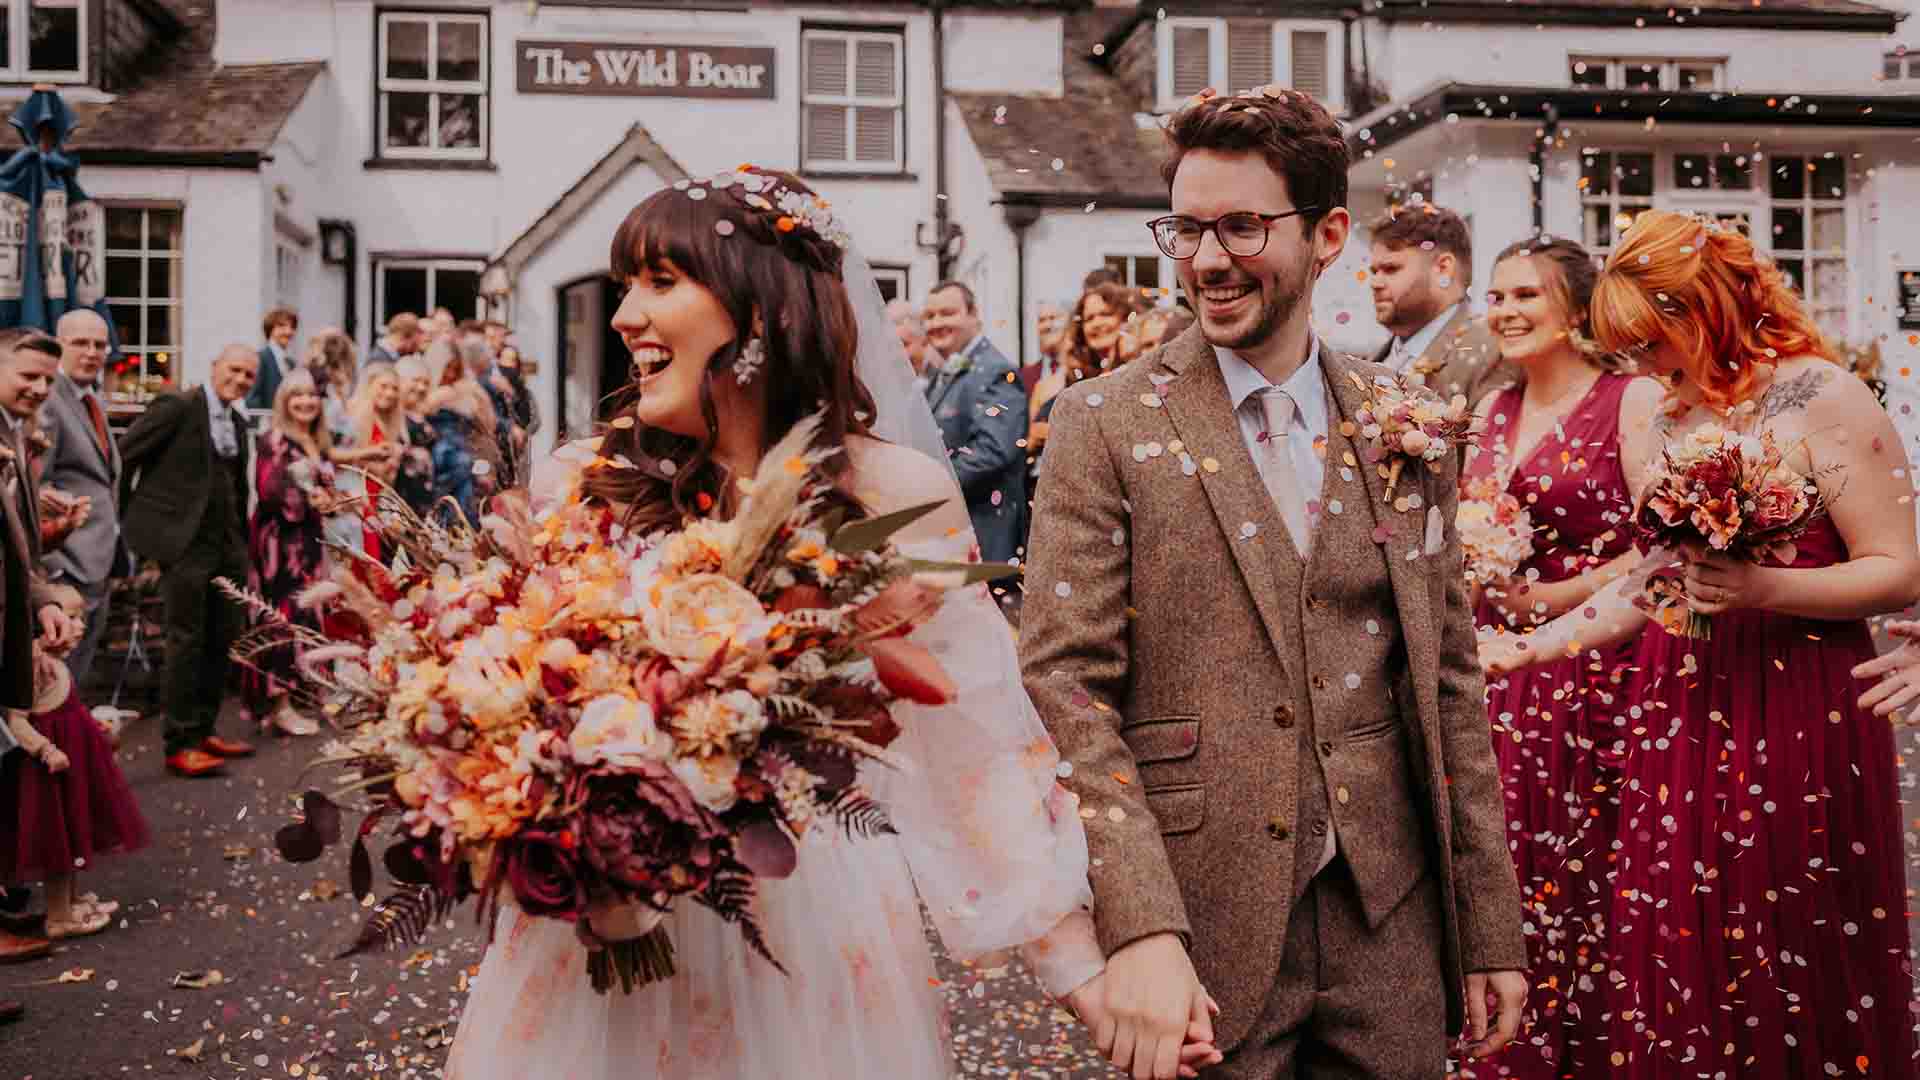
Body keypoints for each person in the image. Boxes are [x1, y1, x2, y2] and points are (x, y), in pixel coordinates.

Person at [442, 164, 1117, 1080]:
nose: (624, 316)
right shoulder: (578, 483)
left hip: (809, 933)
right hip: (589, 957)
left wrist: (1085, 973)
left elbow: (975, 753)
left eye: (661, 281)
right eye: (625, 284)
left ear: (760, 311)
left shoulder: (892, 493)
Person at [1022, 86, 1527, 1079]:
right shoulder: (1104, 421)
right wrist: (1139, 923)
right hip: (1202, 918)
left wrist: (1488, 921)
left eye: (1243, 226)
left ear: (1329, 232)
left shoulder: (1404, 411)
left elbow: (1449, 678)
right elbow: (1065, 685)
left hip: (1391, 914)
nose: (1207, 260)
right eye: (1188, 229)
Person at [1482, 209, 1919, 1078]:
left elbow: (1900, 570)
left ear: (1703, 311)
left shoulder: (1823, 395)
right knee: (1682, 923)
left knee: (1780, 924)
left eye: (1650, 343)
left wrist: (1768, 588)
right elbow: (1656, 577)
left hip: (1801, 698)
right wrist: (1536, 648)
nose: (1642, 369)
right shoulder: (1669, 414)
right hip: (1682, 697)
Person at [1461, 236, 1661, 1078]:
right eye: (1496, 296)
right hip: (1494, 675)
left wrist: (1555, 598)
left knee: (1589, 868)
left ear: (1576, 310)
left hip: (1597, 672)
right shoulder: (1489, 407)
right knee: (1502, 860)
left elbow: (1663, 544)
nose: (1504, 311)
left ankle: (1589, 1050)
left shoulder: (1632, 398)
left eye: (1525, 297)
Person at [119, 344, 261, 778]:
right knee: (187, 637)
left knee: (222, 635)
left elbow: (234, 484)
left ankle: (203, 729)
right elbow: (123, 456)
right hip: (185, 543)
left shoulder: (237, 421)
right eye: (233, 370)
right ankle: (179, 741)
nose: (239, 380)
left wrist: (241, 541)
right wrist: (135, 524)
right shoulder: (178, 406)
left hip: (227, 544)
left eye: (248, 376)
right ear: (215, 365)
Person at [0, 328, 75, 974]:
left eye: (48, 381)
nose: (40, 389)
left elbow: (17, 545)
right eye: (28, 375)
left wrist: (44, 600)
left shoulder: (16, 435)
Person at [37, 309, 130, 686]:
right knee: (57, 682)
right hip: (67, 567)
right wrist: (55, 568)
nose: (92, 352)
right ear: (58, 346)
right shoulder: (47, 401)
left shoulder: (89, 399)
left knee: (77, 679)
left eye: (100, 344)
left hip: (97, 564)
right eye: (80, 343)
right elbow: (35, 489)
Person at [244, 370, 337, 739]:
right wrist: (307, 501)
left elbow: (326, 487)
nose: (305, 402)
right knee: (281, 620)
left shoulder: (315, 440)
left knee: (310, 619)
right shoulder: (275, 439)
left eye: (312, 395)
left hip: (310, 540)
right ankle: (278, 703)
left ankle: (299, 696)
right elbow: (268, 490)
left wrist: (330, 500)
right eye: (296, 395)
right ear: (283, 400)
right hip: (280, 545)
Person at [921, 280, 1029, 566]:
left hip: (986, 535)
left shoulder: (996, 371)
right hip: (954, 531)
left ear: (973, 314)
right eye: (930, 316)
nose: (936, 323)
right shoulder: (943, 373)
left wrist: (928, 486)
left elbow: (993, 451)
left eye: (947, 313)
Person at [1368, 206, 1513, 406]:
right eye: (1374, 271)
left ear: (1443, 268)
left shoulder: (1492, 352)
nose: (1375, 283)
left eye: (1391, 269)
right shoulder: (1375, 360)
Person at [1027, 281, 1136, 467]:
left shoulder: (1135, 371)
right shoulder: (1078, 376)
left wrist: (1058, 432)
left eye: (1105, 314)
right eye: (1089, 318)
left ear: (1125, 318)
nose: (1096, 323)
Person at [422, 336, 500, 525]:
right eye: (447, 368)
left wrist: (485, 469)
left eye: (455, 369)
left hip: (468, 464)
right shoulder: (423, 389)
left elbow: (487, 430)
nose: (450, 374)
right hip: (436, 469)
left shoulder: (471, 390)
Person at [391, 356, 437, 516]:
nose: (421, 388)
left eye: (426, 383)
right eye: (416, 381)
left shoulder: (423, 415)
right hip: (399, 499)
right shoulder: (391, 416)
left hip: (422, 500)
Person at [245, 307, 300, 414]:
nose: (288, 331)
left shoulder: (291, 363)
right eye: (282, 326)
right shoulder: (261, 358)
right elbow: (251, 399)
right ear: (270, 329)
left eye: (292, 327)